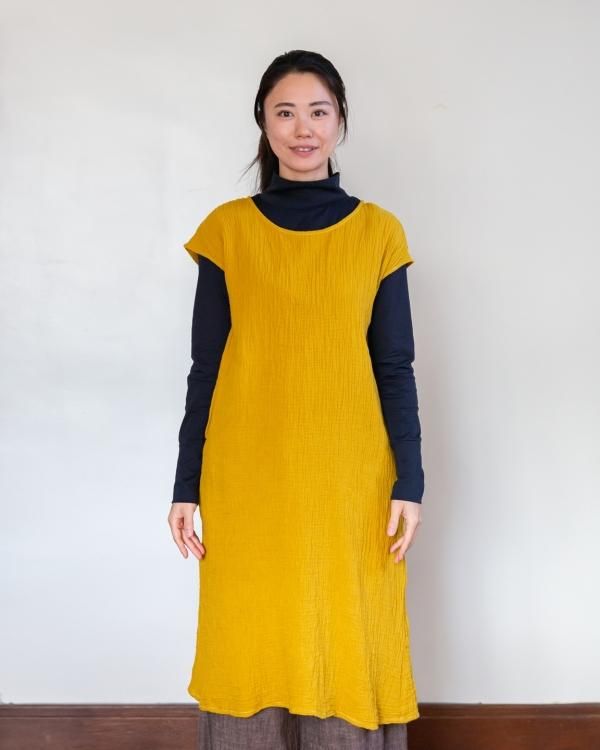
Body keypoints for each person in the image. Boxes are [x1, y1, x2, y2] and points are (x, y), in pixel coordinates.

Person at [168, 49, 425, 750]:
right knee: (249, 637)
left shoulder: (379, 233)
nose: (302, 128)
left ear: (340, 120)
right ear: (263, 121)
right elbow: (205, 369)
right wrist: (186, 484)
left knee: (347, 634)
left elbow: (394, 366)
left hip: (352, 482)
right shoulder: (227, 232)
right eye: (285, 112)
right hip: (248, 479)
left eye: (318, 111)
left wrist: (410, 480)